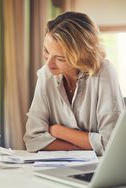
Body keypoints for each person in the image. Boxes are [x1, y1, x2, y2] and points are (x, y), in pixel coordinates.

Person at [23, 11, 125, 156]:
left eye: (60, 58)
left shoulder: (104, 72)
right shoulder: (46, 75)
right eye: (46, 51)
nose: (49, 63)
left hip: (96, 171)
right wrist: (82, 146)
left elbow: (110, 143)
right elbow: (32, 140)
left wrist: (58, 131)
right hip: (57, 169)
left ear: (82, 55)